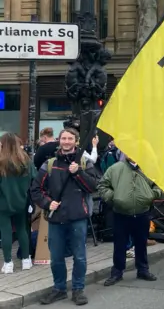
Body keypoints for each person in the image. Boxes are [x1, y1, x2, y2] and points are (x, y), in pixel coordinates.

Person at [30, 128, 99, 306]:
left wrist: (78, 173)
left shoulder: (84, 163)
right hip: (56, 218)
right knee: (57, 257)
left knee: (80, 257)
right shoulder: (50, 164)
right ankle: (59, 289)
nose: (66, 141)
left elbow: (93, 186)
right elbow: (36, 189)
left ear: (76, 141)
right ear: (59, 141)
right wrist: (47, 203)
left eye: (70, 138)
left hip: (78, 217)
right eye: (63, 138)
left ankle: (78, 289)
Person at [98, 152, 163, 286]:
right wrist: (113, 197)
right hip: (121, 214)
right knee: (119, 245)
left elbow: (159, 185)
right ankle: (117, 272)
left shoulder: (148, 169)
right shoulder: (115, 168)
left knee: (141, 243)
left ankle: (143, 270)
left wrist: (151, 195)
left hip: (142, 213)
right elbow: (102, 185)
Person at [0, 133, 36, 274]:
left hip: (3, 202)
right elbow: (35, 178)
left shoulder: (1, 161)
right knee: (23, 229)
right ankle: (26, 260)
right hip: (22, 201)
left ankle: (8, 263)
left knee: (6, 231)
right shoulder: (26, 160)